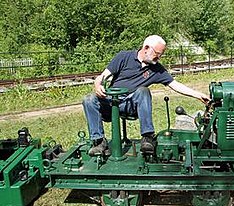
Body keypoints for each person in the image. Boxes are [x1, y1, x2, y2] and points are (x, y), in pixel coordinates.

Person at [82, 35, 210, 156]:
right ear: (146, 48)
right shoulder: (123, 57)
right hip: (110, 103)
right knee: (89, 99)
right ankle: (99, 142)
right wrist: (98, 85)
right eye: (157, 54)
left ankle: (147, 138)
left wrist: (198, 95)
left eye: (160, 55)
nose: (158, 58)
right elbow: (102, 76)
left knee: (143, 91)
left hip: (131, 105)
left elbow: (175, 85)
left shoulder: (157, 69)